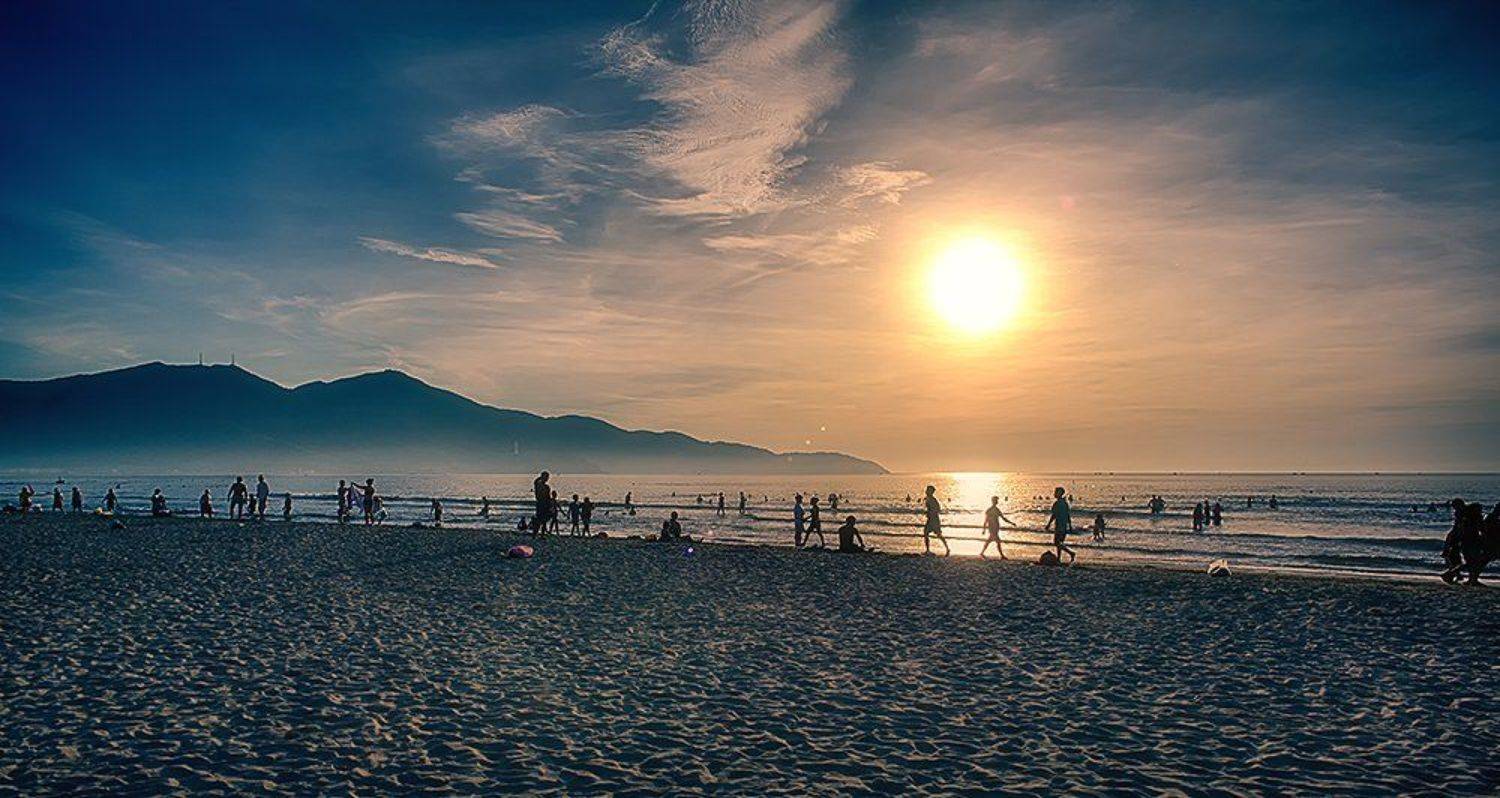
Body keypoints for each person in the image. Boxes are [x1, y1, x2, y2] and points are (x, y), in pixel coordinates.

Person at [1044, 486, 1076, 564]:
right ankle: (1059, 558)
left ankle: (1070, 553)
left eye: (1055, 492)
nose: (1054, 493)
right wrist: (1070, 525)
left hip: (1059, 525)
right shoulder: (1065, 503)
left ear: (1059, 493)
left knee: (1057, 542)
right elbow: (1068, 515)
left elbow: (1054, 515)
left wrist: (1048, 524)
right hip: (1063, 525)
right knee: (1059, 543)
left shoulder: (1057, 503)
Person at [922, 485, 950, 556]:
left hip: (934, 520)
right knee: (926, 533)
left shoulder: (933, 500)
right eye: (926, 490)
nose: (926, 491)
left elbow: (938, 509)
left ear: (930, 491)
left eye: (927, 490)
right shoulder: (928, 498)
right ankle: (928, 550)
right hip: (931, 519)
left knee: (938, 535)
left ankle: (947, 548)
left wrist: (930, 512)